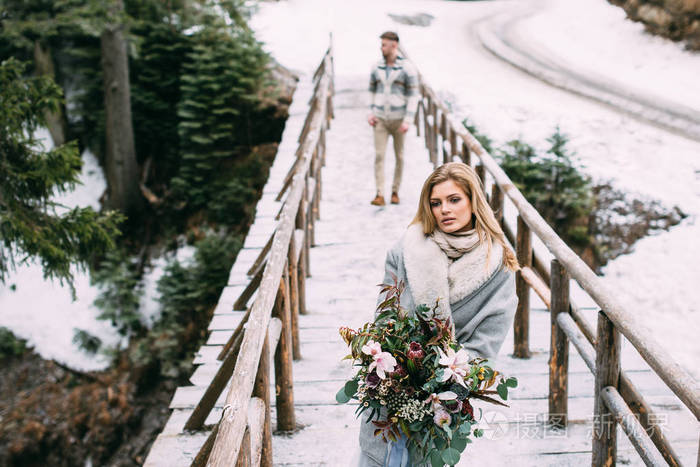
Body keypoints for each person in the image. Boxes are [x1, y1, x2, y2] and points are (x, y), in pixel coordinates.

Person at [357, 162, 520, 466]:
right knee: (380, 458)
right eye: (436, 203)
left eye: (454, 199)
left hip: (446, 394)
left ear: (474, 202)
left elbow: (486, 344)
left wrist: (439, 380)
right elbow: (385, 318)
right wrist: (396, 370)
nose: (444, 209)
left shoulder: (496, 266)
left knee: (425, 459)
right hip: (391, 384)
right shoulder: (405, 250)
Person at [368, 31, 419, 206]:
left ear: (394, 45)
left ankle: (395, 191)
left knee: (400, 156)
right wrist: (371, 112)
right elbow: (372, 90)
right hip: (380, 118)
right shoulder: (376, 67)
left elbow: (414, 95)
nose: (381, 48)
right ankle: (380, 193)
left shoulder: (407, 68)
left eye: (384, 44)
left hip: (399, 120)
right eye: (381, 44)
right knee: (379, 156)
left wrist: (408, 120)